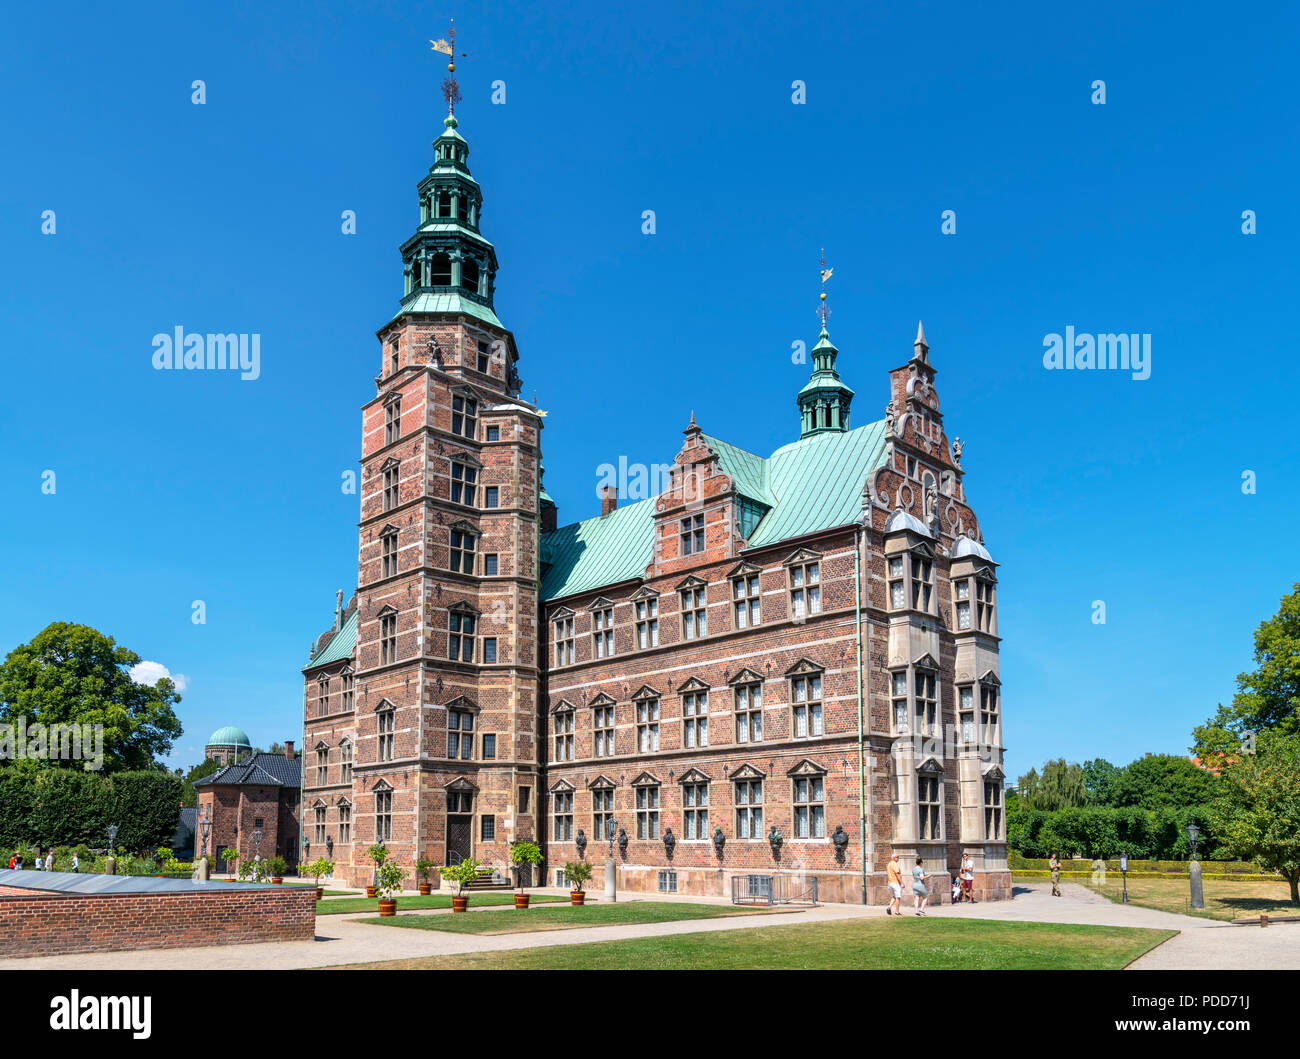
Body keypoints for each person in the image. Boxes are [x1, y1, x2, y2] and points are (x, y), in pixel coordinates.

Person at [885, 852, 903, 916]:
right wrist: (902, 883)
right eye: (897, 857)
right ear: (894, 858)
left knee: (894, 896)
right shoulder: (894, 864)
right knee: (898, 897)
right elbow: (897, 874)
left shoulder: (889, 864)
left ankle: (889, 907)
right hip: (895, 882)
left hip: (890, 882)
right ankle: (897, 911)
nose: (898, 858)